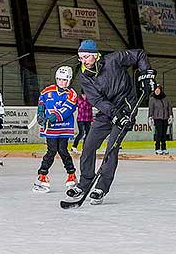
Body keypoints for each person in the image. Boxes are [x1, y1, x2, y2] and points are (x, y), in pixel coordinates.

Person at [66, 39, 156, 205]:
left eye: (86, 57)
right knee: (89, 146)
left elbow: (139, 55)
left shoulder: (114, 59)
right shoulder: (85, 77)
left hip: (127, 108)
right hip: (106, 112)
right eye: (80, 58)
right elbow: (97, 100)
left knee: (111, 148)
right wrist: (114, 115)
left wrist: (146, 74)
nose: (83, 61)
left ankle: (101, 187)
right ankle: (85, 183)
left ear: (95, 55)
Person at [33, 66, 78, 193]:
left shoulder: (72, 94)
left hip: (63, 128)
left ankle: (71, 175)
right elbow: (41, 102)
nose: (61, 82)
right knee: (51, 151)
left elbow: (68, 108)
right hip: (50, 129)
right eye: (59, 79)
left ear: (69, 81)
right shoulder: (47, 91)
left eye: (64, 80)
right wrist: (40, 114)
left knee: (63, 151)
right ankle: (42, 176)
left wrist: (53, 117)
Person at [148, 84, 173, 155]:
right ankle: (157, 148)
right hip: (157, 118)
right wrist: (150, 117)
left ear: (161, 90)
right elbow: (151, 109)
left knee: (164, 134)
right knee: (159, 133)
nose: (157, 91)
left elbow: (169, 107)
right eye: (156, 90)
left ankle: (164, 148)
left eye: (158, 90)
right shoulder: (152, 99)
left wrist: (171, 116)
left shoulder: (165, 98)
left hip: (165, 118)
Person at [71, 89, 93, 153]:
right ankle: (74, 146)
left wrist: (91, 119)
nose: (85, 96)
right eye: (84, 94)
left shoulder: (89, 99)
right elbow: (83, 106)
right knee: (81, 133)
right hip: (81, 119)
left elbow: (90, 109)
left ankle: (85, 147)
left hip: (88, 119)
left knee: (88, 134)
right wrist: (86, 99)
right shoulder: (79, 98)